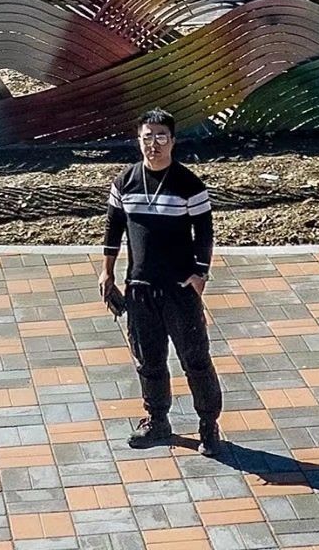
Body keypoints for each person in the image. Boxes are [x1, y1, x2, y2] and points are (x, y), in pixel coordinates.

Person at [100, 109, 223, 454]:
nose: (153, 144)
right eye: (147, 137)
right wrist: (107, 271)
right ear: (138, 140)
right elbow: (113, 228)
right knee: (148, 360)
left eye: (160, 137)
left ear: (172, 140)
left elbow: (205, 232)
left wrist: (200, 275)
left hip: (179, 289)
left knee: (195, 360)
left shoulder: (189, 184)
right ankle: (157, 420)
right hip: (139, 288)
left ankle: (208, 426)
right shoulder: (125, 182)